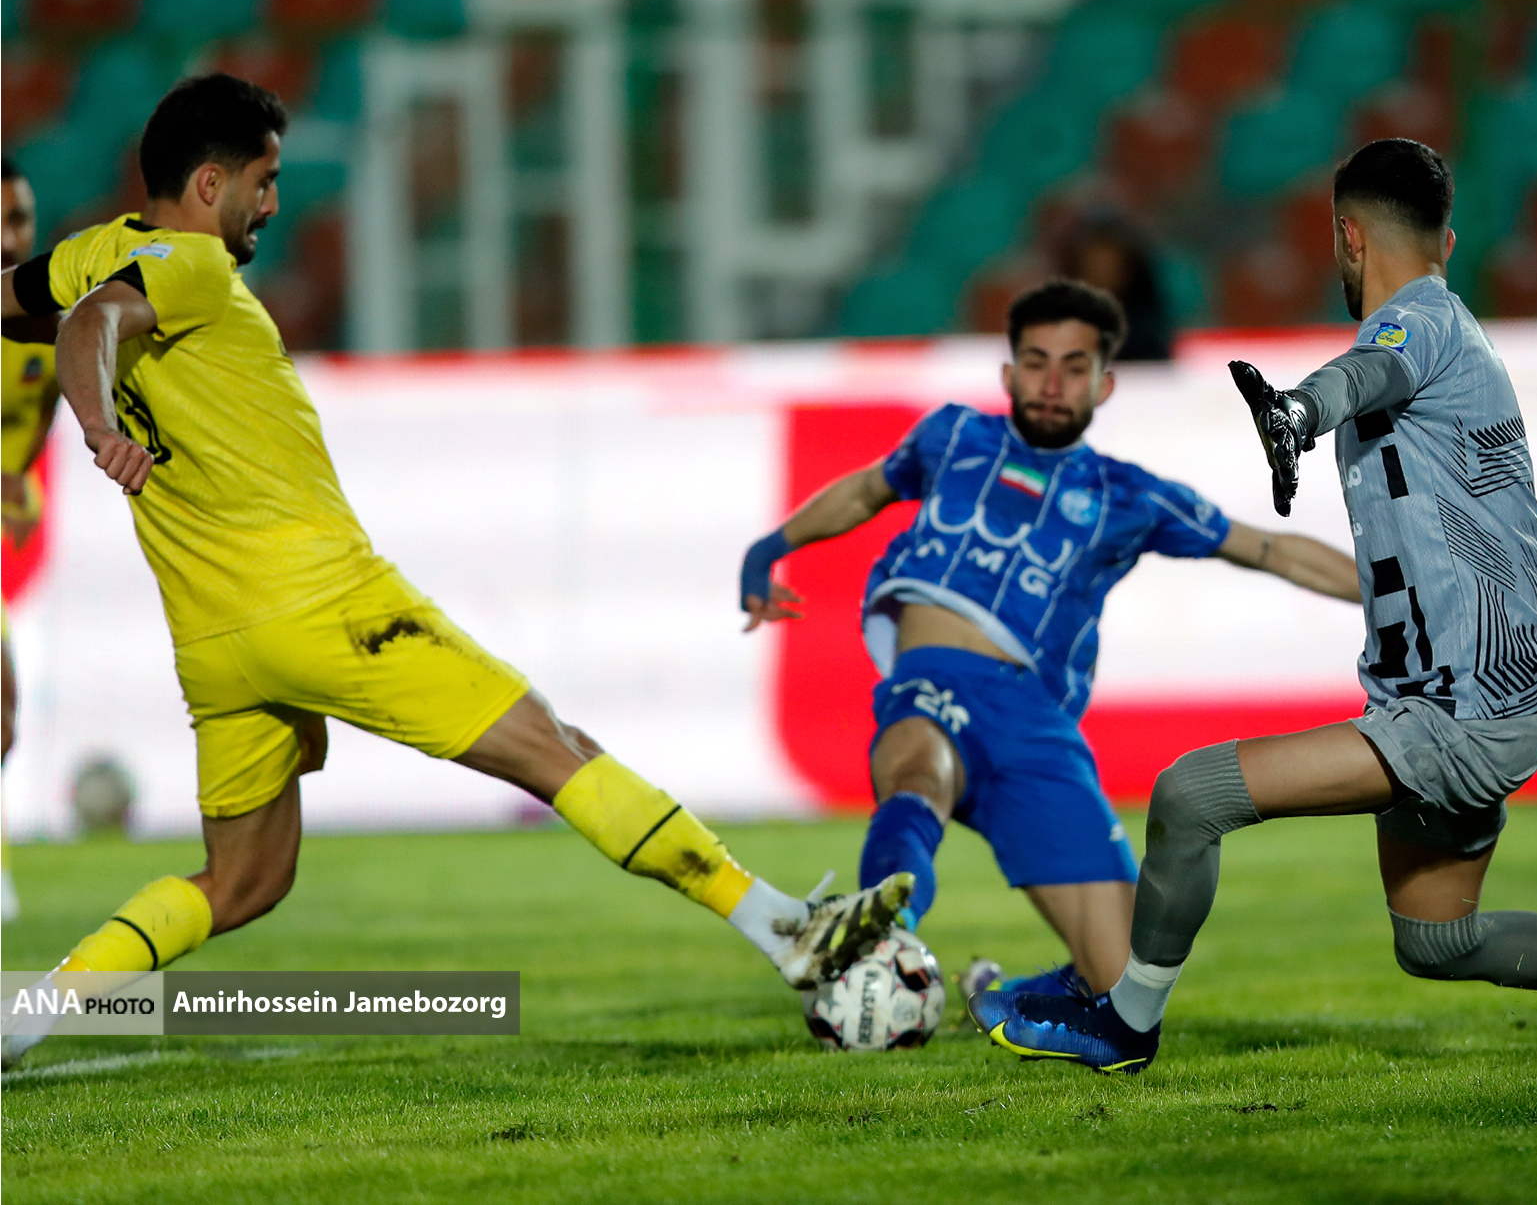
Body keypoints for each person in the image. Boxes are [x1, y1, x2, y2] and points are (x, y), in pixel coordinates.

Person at [0, 75, 909, 1069]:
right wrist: (98, 427)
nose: (273, 203)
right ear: (210, 184)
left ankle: (24, 1018)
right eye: (263, 181)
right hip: (329, 604)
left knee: (245, 882)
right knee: (556, 749)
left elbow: (29, 306)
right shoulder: (192, 267)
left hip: (216, 641)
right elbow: (90, 326)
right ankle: (783, 926)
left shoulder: (93, 250)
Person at [967, 139, 1537, 1073]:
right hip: (1494, 702)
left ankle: (1124, 1022)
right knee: (1438, 939)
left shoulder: (1417, 327)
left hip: (1452, 718)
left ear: (1348, 238)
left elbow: (1365, 374)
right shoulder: (1464, 357)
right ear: (1447, 240)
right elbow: (1510, 583)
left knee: (1189, 796)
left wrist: (1295, 414)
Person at [740, 279, 1361, 995]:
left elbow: (1269, 549)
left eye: (1074, 366)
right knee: (918, 772)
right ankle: (882, 935)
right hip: (933, 678)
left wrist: (1392, 593)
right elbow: (864, 490)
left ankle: (991, 993)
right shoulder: (953, 436)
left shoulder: (1130, 496)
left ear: (1105, 385)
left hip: (1035, 724)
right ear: (1009, 375)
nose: (1052, 383)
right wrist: (770, 548)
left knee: (1126, 991)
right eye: (1036, 363)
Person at [1, 155, 53, 922]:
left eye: (18, 219)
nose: (9, 236)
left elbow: (30, 432)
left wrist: (19, 482)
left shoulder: (46, 332)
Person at [1053, 208, 1173, 363]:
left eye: (1110, 264)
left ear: (1128, 268)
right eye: (1095, 265)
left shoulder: (1147, 329)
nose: (1103, 273)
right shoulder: (1057, 322)